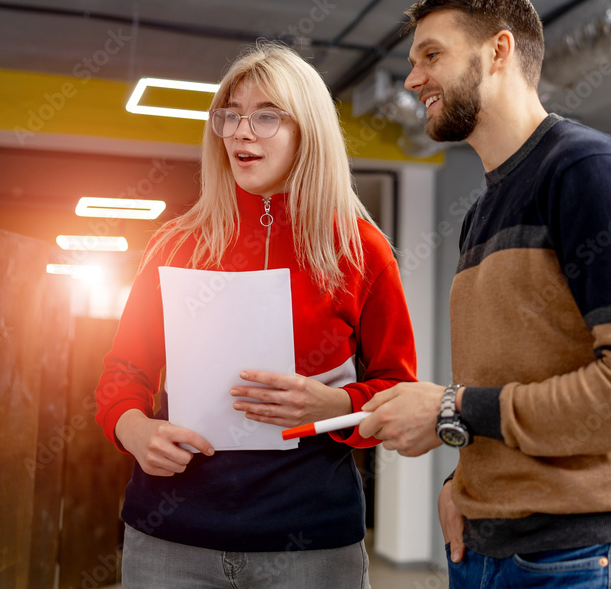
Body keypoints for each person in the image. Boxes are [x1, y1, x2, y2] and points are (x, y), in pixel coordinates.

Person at [359, 0, 611, 588]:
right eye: (412, 62)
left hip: (580, 560)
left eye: (431, 55)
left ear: (498, 51)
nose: (412, 80)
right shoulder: (482, 212)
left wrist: (448, 408)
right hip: (484, 551)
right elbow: (509, 383)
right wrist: (464, 480)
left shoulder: (587, 171)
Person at [95, 42, 417, 588]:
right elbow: (123, 370)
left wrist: (333, 404)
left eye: (267, 116)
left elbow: (397, 392)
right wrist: (132, 428)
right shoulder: (176, 245)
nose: (242, 131)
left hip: (310, 543)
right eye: (231, 115)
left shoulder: (360, 250)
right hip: (172, 536)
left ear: (307, 131)